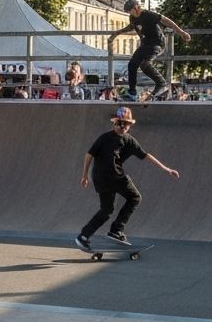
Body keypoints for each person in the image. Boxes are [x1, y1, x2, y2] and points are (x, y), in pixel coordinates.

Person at [75, 105, 180, 249]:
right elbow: (89, 154)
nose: (122, 127)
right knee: (135, 198)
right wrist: (84, 175)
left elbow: (146, 155)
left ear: (130, 125)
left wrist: (166, 168)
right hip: (113, 176)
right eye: (119, 124)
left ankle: (84, 236)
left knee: (106, 210)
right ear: (114, 124)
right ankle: (117, 229)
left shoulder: (129, 141)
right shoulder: (105, 138)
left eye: (125, 124)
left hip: (100, 179)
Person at [109, 0, 191, 101]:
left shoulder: (148, 14)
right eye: (129, 12)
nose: (130, 14)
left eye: (131, 11)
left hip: (157, 43)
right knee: (132, 64)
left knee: (144, 63)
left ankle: (161, 83)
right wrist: (116, 33)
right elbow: (132, 26)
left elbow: (166, 21)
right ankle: (132, 92)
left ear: (136, 8)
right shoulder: (133, 18)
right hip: (145, 44)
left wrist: (181, 32)